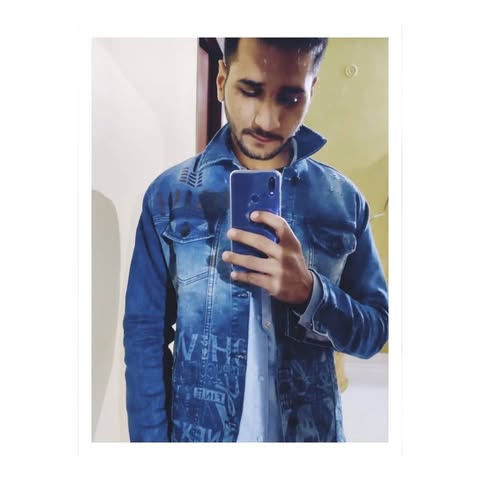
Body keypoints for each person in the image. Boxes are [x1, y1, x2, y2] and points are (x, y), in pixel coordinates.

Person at [123, 37, 388, 442]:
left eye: (290, 97)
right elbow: (145, 338)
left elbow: (377, 331)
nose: (266, 119)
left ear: (312, 89)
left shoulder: (343, 202)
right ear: (221, 80)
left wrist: (311, 293)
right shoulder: (170, 197)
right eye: (250, 91)